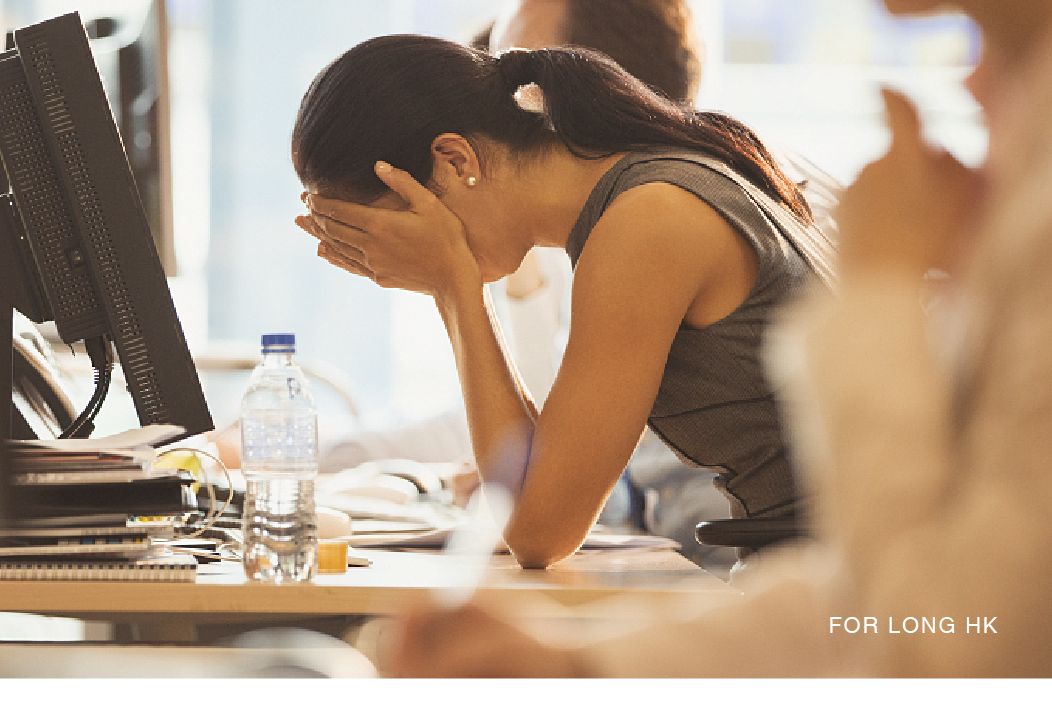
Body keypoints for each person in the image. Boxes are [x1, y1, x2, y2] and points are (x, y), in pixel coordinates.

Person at [384, 0, 1052, 677]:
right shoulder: (668, 187)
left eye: (519, 71)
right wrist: (575, 666)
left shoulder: (653, 209)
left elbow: (950, 625)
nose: (512, 94)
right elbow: (859, 589)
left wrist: (881, 287)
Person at [293, 28, 833, 568]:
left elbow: (538, 531)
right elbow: (531, 483)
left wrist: (453, 284)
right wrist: (453, 283)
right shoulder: (636, 195)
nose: (399, 256)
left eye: (399, 229)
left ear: (455, 161)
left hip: (840, 584)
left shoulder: (648, 221)